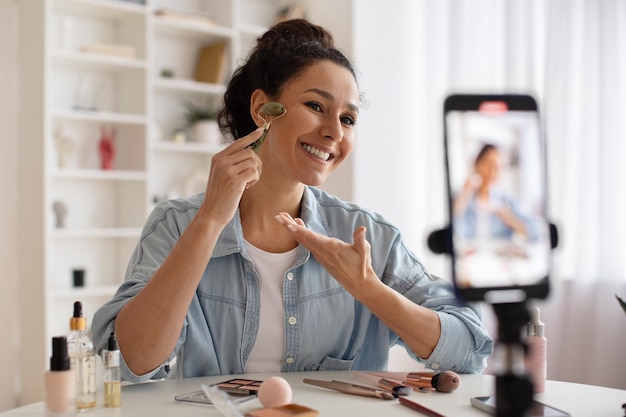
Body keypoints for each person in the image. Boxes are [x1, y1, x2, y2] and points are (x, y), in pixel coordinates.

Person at [91, 19, 492, 383]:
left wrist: (369, 288)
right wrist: (210, 220)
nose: (334, 131)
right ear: (263, 109)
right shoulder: (177, 225)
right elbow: (128, 363)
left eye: (348, 119)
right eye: (316, 106)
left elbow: (471, 348)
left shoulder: (367, 236)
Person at [453, 143, 537, 243]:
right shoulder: (464, 198)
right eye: (488, 164)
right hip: (472, 257)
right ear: (477, 164)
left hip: (498, 257)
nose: (492, 171)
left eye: (498, 167)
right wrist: (465, 194)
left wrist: (510, 220)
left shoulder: (507, 201)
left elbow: (536, 233)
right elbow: (454, 230)